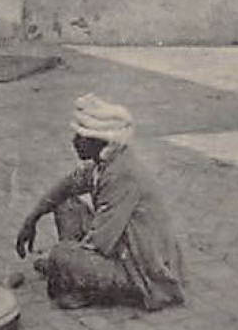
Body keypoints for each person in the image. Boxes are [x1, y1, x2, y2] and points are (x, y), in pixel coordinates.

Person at [16, 93, 185, 311]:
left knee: (61, 254)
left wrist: (65, 258)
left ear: (101, 141)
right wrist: (32, 218)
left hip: (142, 269)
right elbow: (67, 186)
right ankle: (76, 275)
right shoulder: (105, 162)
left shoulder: (121, 175)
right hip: (122, 244)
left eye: (81, 138)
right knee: (66, 205)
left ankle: (81, 283)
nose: (74, 142)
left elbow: (100, 243)